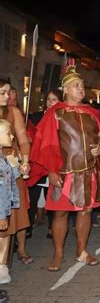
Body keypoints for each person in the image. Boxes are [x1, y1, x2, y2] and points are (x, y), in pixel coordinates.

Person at [29, 66, 100, 271]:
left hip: (88, 172)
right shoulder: (55, 114)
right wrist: (51, 170)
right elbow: (47, 144)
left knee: (85, 212)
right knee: (59, 214)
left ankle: (81, 251)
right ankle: (58, 253)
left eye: (82, 86)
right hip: (63, 173)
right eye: (76, 86)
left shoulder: (92, 114)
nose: (81, 89)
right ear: (66, 89)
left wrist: (99, 149)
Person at [0, 77, 32, 281]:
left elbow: (23, 139)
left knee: (7, 219)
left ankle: (2, 265)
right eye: (3, 92)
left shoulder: (13, 112)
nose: (8, 96)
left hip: (9, 170)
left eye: (9, 92)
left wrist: (25, 160)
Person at [27, 90, 62, 239]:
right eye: (48, 99)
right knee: (32, 197)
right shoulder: (35, 117)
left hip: (54, 164)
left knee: (53, 197)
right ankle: (27, 227)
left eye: (54, 99)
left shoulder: (64, 117)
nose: (50, 102)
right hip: (38, 163)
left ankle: (51, 227)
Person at [0, 120, 21, 284]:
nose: (12, 136)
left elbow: (12, 178)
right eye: (8, 133)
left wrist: (18, 167)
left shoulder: (4, 158)